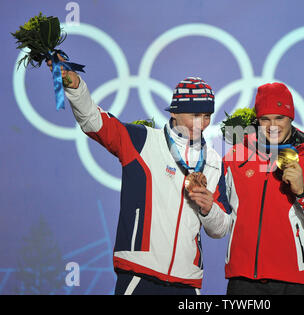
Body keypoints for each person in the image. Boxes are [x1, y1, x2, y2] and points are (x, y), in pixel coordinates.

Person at [47, 57, 229, 294]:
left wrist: (209, 209)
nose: (202, 123)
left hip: (187, 281)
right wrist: (75, 86)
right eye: (195, 115)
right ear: (175, 112)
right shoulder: (143, 141)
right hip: (139, 274)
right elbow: (94, 121)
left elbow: (221, 228)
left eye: (207, 116)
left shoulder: (214, 161)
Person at [200, 82, 304, 295]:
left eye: (279, 118)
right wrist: (208, 208)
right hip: (243, 282)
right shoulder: (235, 158)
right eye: (265, 119)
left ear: (291, 118)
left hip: (294, 284)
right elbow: (220, 226)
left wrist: (303, 192)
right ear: (257, 120)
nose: (272, 126)